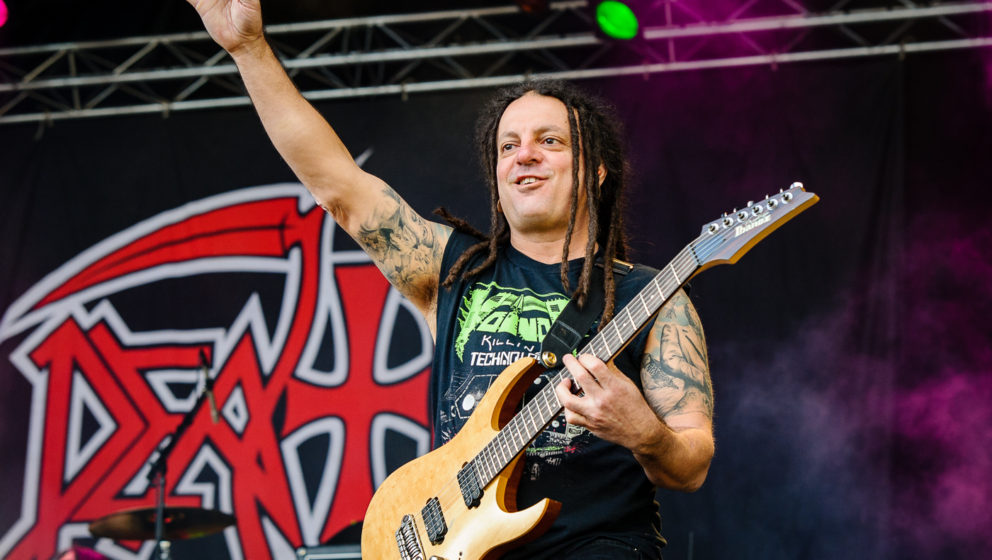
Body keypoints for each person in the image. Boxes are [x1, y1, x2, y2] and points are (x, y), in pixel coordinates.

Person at [186, 1, 715, 558]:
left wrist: (644, 433)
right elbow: (338, 188)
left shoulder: (651, 297)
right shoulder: (454, 268)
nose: (524, 155)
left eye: (550, 141)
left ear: (597, 171)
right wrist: (248, 49)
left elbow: (692, 464)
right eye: (508, 145)